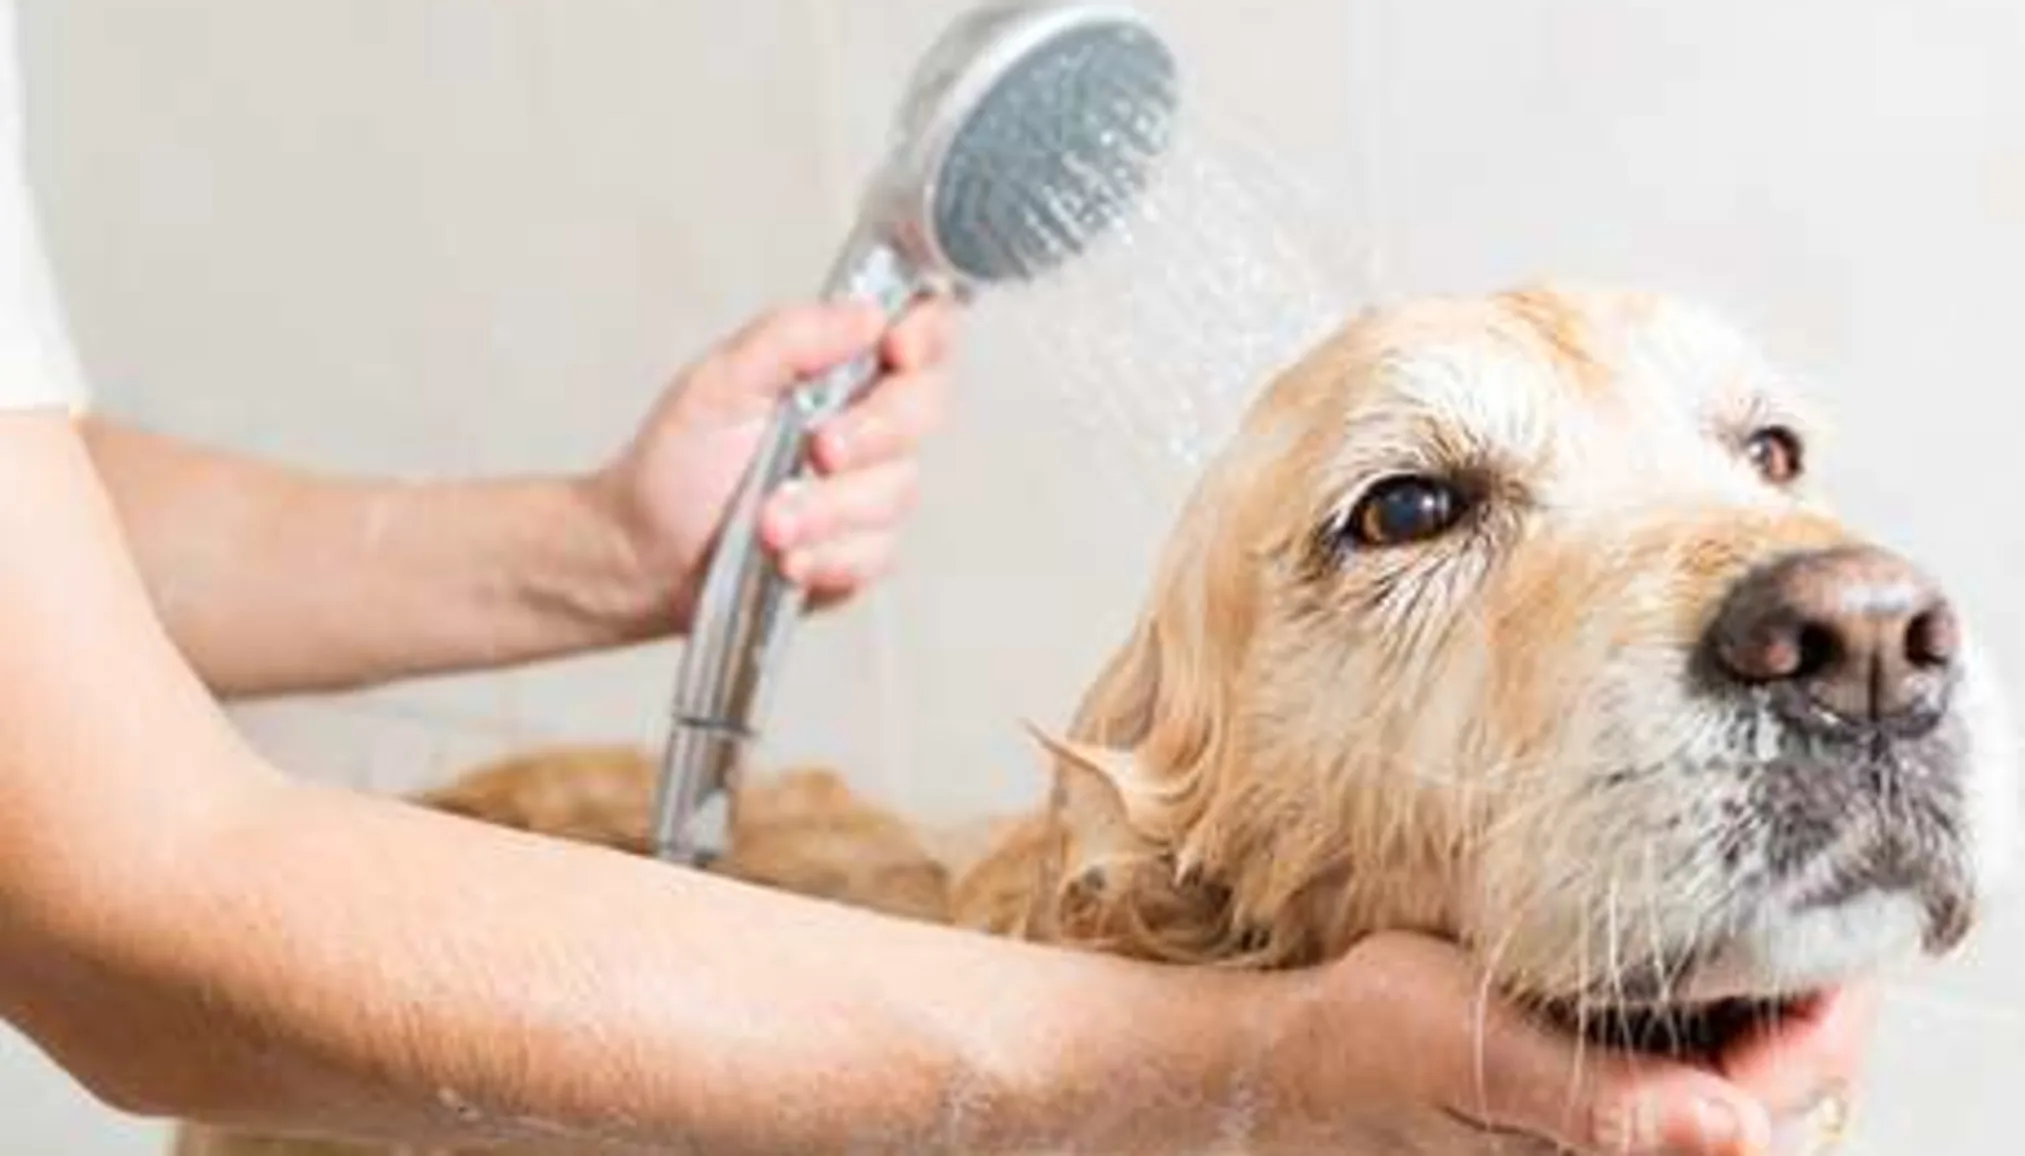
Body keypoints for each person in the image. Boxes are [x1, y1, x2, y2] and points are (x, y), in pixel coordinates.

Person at [0, 5, 1869, 1154]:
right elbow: (122, 914)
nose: (1822, 604)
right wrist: (1238, 1080)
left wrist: (588, 553)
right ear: (1180, 872)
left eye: (1761, 456)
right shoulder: (1203, 1005)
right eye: (1410, 511)